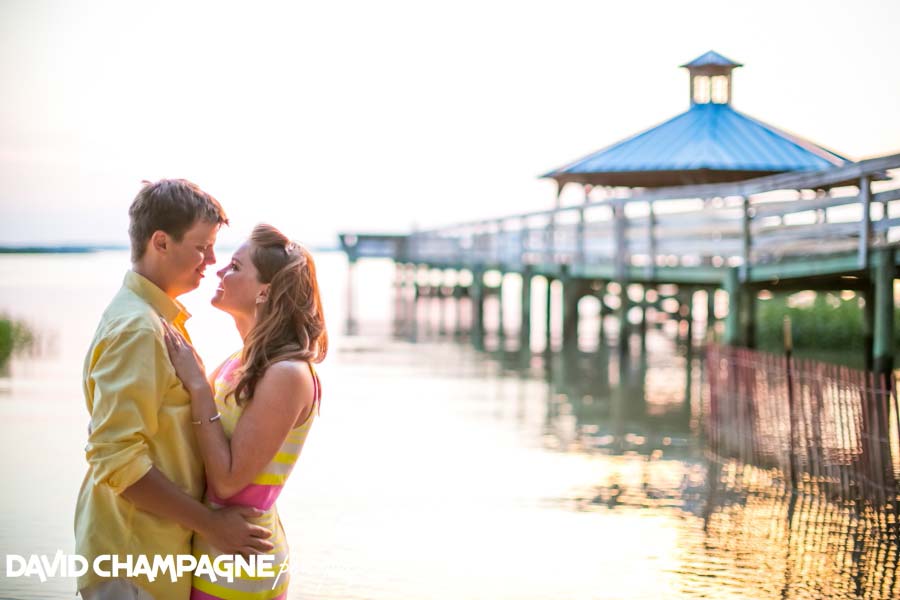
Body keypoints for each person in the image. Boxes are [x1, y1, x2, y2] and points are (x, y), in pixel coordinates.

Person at [76, 180, 274, 600]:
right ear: (160, 242)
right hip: (132, 562)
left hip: (150, 555)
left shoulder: (156, 320)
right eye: (202, 247)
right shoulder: (138, 329)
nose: (212, 260)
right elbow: (116, 457)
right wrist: (210, 524)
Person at [163, 223, 326, 600]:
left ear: (265, 291)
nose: (218, 270)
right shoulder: (239, 363)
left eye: (235, 267)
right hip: (218, 554)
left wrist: (198, 387)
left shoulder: (287, 374)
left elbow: (228, 481)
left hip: (240, 568)